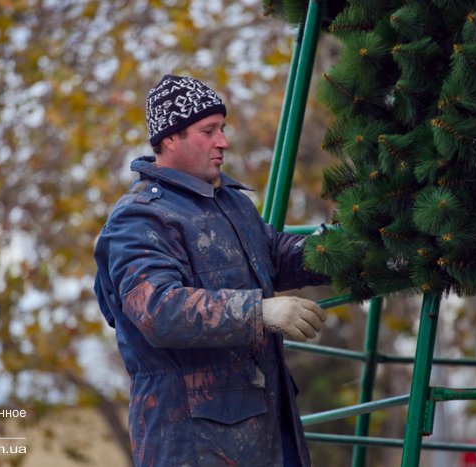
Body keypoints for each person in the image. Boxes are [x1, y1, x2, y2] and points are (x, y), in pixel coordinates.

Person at [94, 74, 329, 467]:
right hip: (190, 444)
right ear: (170, 138)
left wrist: (350, 250)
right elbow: (160, 310)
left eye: (222, 128)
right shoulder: (138, 219)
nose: (223, 141)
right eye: (209, 130)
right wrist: (261, 312)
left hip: (266, 430)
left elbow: (277, 255)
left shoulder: (231, 204)